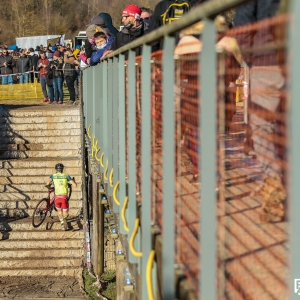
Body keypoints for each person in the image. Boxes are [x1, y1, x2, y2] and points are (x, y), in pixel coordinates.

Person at [46, 163, 77, 231]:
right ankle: (65, 219)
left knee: (59, 211)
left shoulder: (53, 176)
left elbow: (47, 183)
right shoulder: (66, 176)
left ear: (56, 169)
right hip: (64, 197)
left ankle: (62, 224)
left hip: (57, 197)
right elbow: (74, 185)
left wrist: (51, 183)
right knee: (66, 212)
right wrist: (72, 182)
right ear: (62, 169)